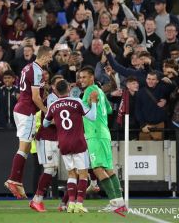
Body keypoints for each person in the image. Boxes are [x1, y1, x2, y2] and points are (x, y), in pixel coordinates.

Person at [4, 46, 53, 199]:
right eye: (50, 57)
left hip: (19, 109)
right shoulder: (37, 71)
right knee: (24, 148)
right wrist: (47, 111)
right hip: (27, 111)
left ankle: (17, 181)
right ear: (44, 57)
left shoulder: (27, 67)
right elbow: (35, 98)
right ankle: (13, 179)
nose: (50, 59)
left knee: (23, 148)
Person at [43, 79, 98, 213]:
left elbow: (45, 124)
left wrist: (57, 121)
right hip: (78, 141)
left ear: (55, 91)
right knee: (83, 174)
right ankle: (79, 204)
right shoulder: (76, 101)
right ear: (69, 88)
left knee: (71, 174)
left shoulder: (53, 105)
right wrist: (94, 103)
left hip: (63, 142)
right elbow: (92, 117)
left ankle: (71, 203)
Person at [79, 66, 127, 213]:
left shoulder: (89, 91)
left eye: (84, 77)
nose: (81, 80)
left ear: (92, 77)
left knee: (98, 168)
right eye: (80, 78)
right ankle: (119, 202)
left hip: (95, 134)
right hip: (104, 133)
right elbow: (110, 109)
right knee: (108, 168)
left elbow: (84, 111)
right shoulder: (99, 91)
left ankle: (115, 203)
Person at [29, 75, 63, 212]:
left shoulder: (61, 99)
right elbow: (51, 120)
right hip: (45, 138)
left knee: (53, 170)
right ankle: (37, 200)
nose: (62, 85)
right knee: (49, 168)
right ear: (53, 86)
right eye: (58, 83)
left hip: (54, 138)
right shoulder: (51, 99)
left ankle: (39, 199)